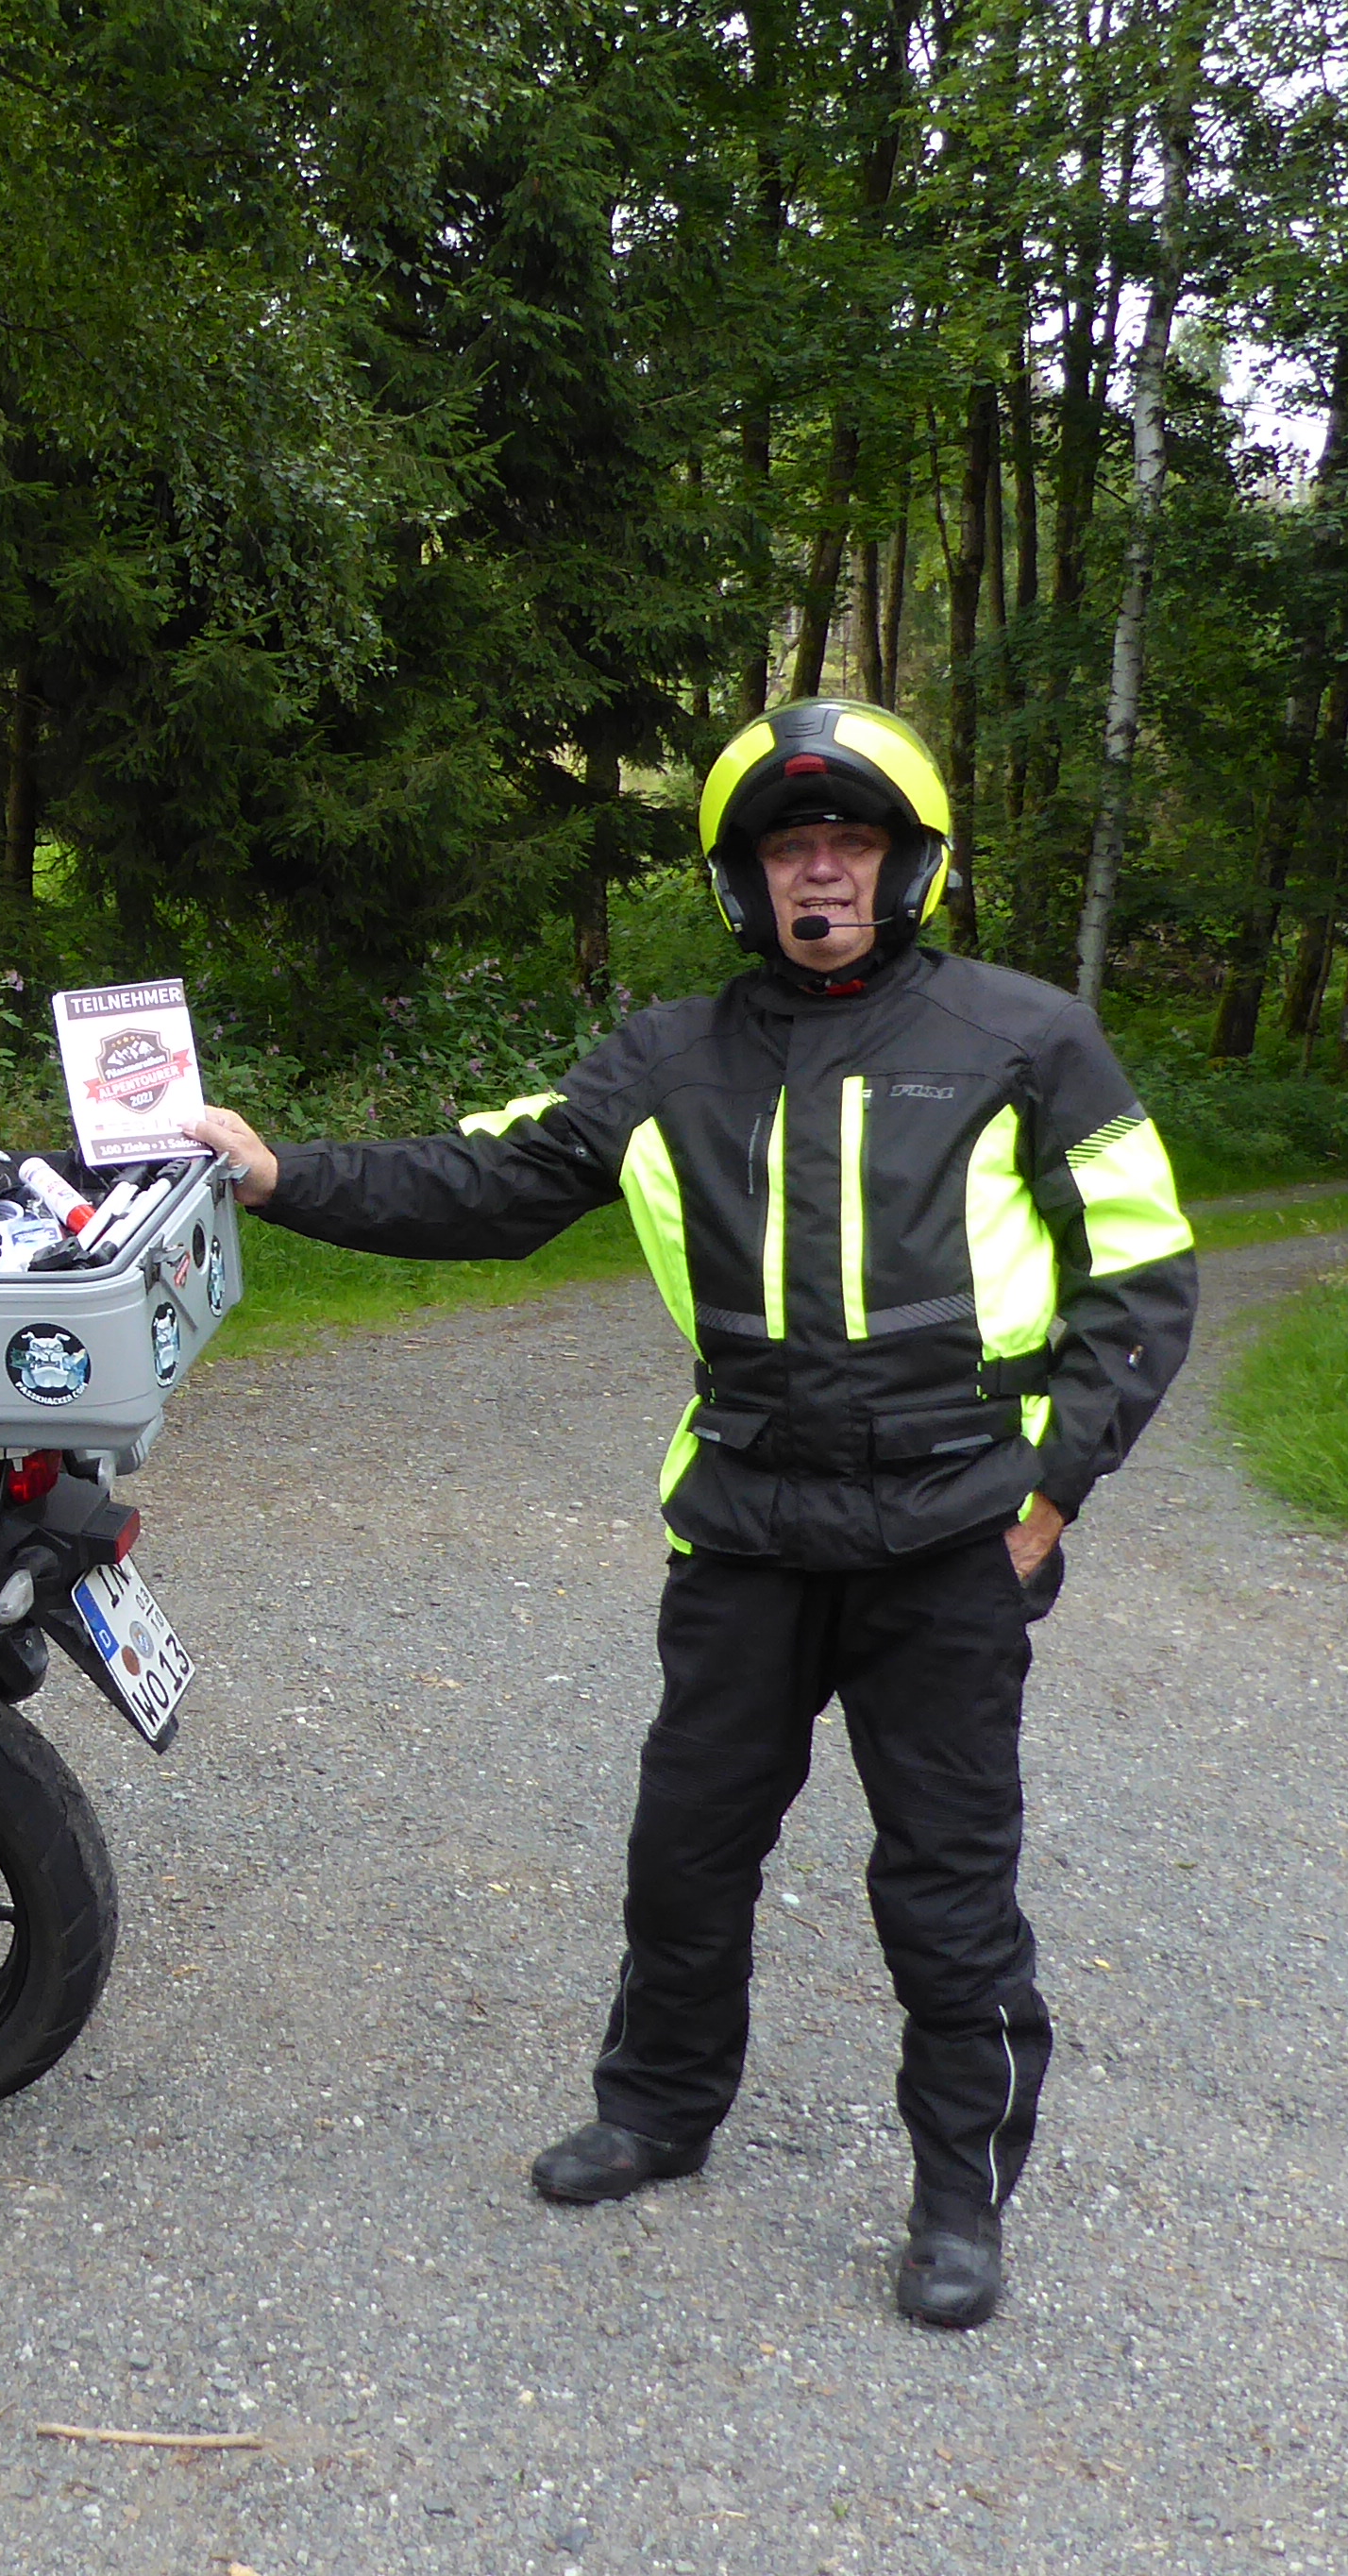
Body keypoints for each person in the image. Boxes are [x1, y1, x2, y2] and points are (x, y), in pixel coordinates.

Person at [180, 698, 1196, 2331]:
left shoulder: (1027, 1037)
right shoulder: (669, 1057)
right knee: (687, 1850)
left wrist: (1053, 1494)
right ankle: (658, 2109)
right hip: (744, 1530)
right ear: (744, 879)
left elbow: (1142, 1273)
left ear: (908, 865)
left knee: (946, 1888)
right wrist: (281, 1175)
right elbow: (493, 1182)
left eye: (850, 843)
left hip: (949, 1536)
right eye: (791, 848)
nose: (821, 874)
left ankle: (960, 2196)